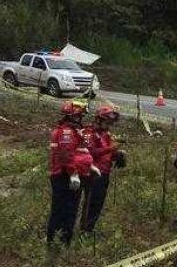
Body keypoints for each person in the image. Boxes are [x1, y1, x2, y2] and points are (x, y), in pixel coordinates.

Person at [47, 100, 99, 246]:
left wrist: (89, 166)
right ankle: (58, 242)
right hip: (64, 176)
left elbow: (80, 152)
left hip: (69, 174)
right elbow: (65, 155)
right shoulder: (67, 132)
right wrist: (73, 174)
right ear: (72, 116)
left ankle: (61, 241)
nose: (80, 119)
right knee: (64, 210)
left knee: (69, 209)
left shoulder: (73, 131)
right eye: (79, 117)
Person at [79, 105, 126, 235]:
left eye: (111, 123)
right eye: (107, 122)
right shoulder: (89, 132)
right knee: (91, 201)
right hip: (93, 173)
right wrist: (111, 149)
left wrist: (117, 155)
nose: (109, 125)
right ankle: (85, 230)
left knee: (99, 201)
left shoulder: (106, 134)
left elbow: (108, 152)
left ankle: (90, 228)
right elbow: (90, 152)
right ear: (99, 120)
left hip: (105, 172)